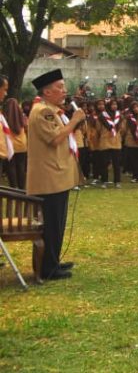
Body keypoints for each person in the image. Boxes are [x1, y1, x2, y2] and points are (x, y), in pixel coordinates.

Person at [25, 69, 85, 281]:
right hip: (49, 178)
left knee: (56, 223)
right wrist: (74, 120)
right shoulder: (42, 111)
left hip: (57, 176)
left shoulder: (52, 110)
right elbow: (55, 139)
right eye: (59, 87)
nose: (64, 91)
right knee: (51, 224)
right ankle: (48, 268)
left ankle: (53, 260)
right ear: (47, 91)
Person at [93, 98, 123, 188]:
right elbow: (98, 129)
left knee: (116, 163)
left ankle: (117, 181)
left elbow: (122, 128)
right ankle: (104, 181)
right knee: (104, 163)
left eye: (116, 105)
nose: (114, 106)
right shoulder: (102, 116)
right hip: (105, 141)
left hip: (116, 141)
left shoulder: (119, 115)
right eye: (112, 104)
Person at [3, 94, 28, 190]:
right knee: (21, 167)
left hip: (10, 146)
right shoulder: (22, 116)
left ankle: (13, 187)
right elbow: (26, 127)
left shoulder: (4, 117)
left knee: (11, 167)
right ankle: (22, 188)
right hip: (22, 145)